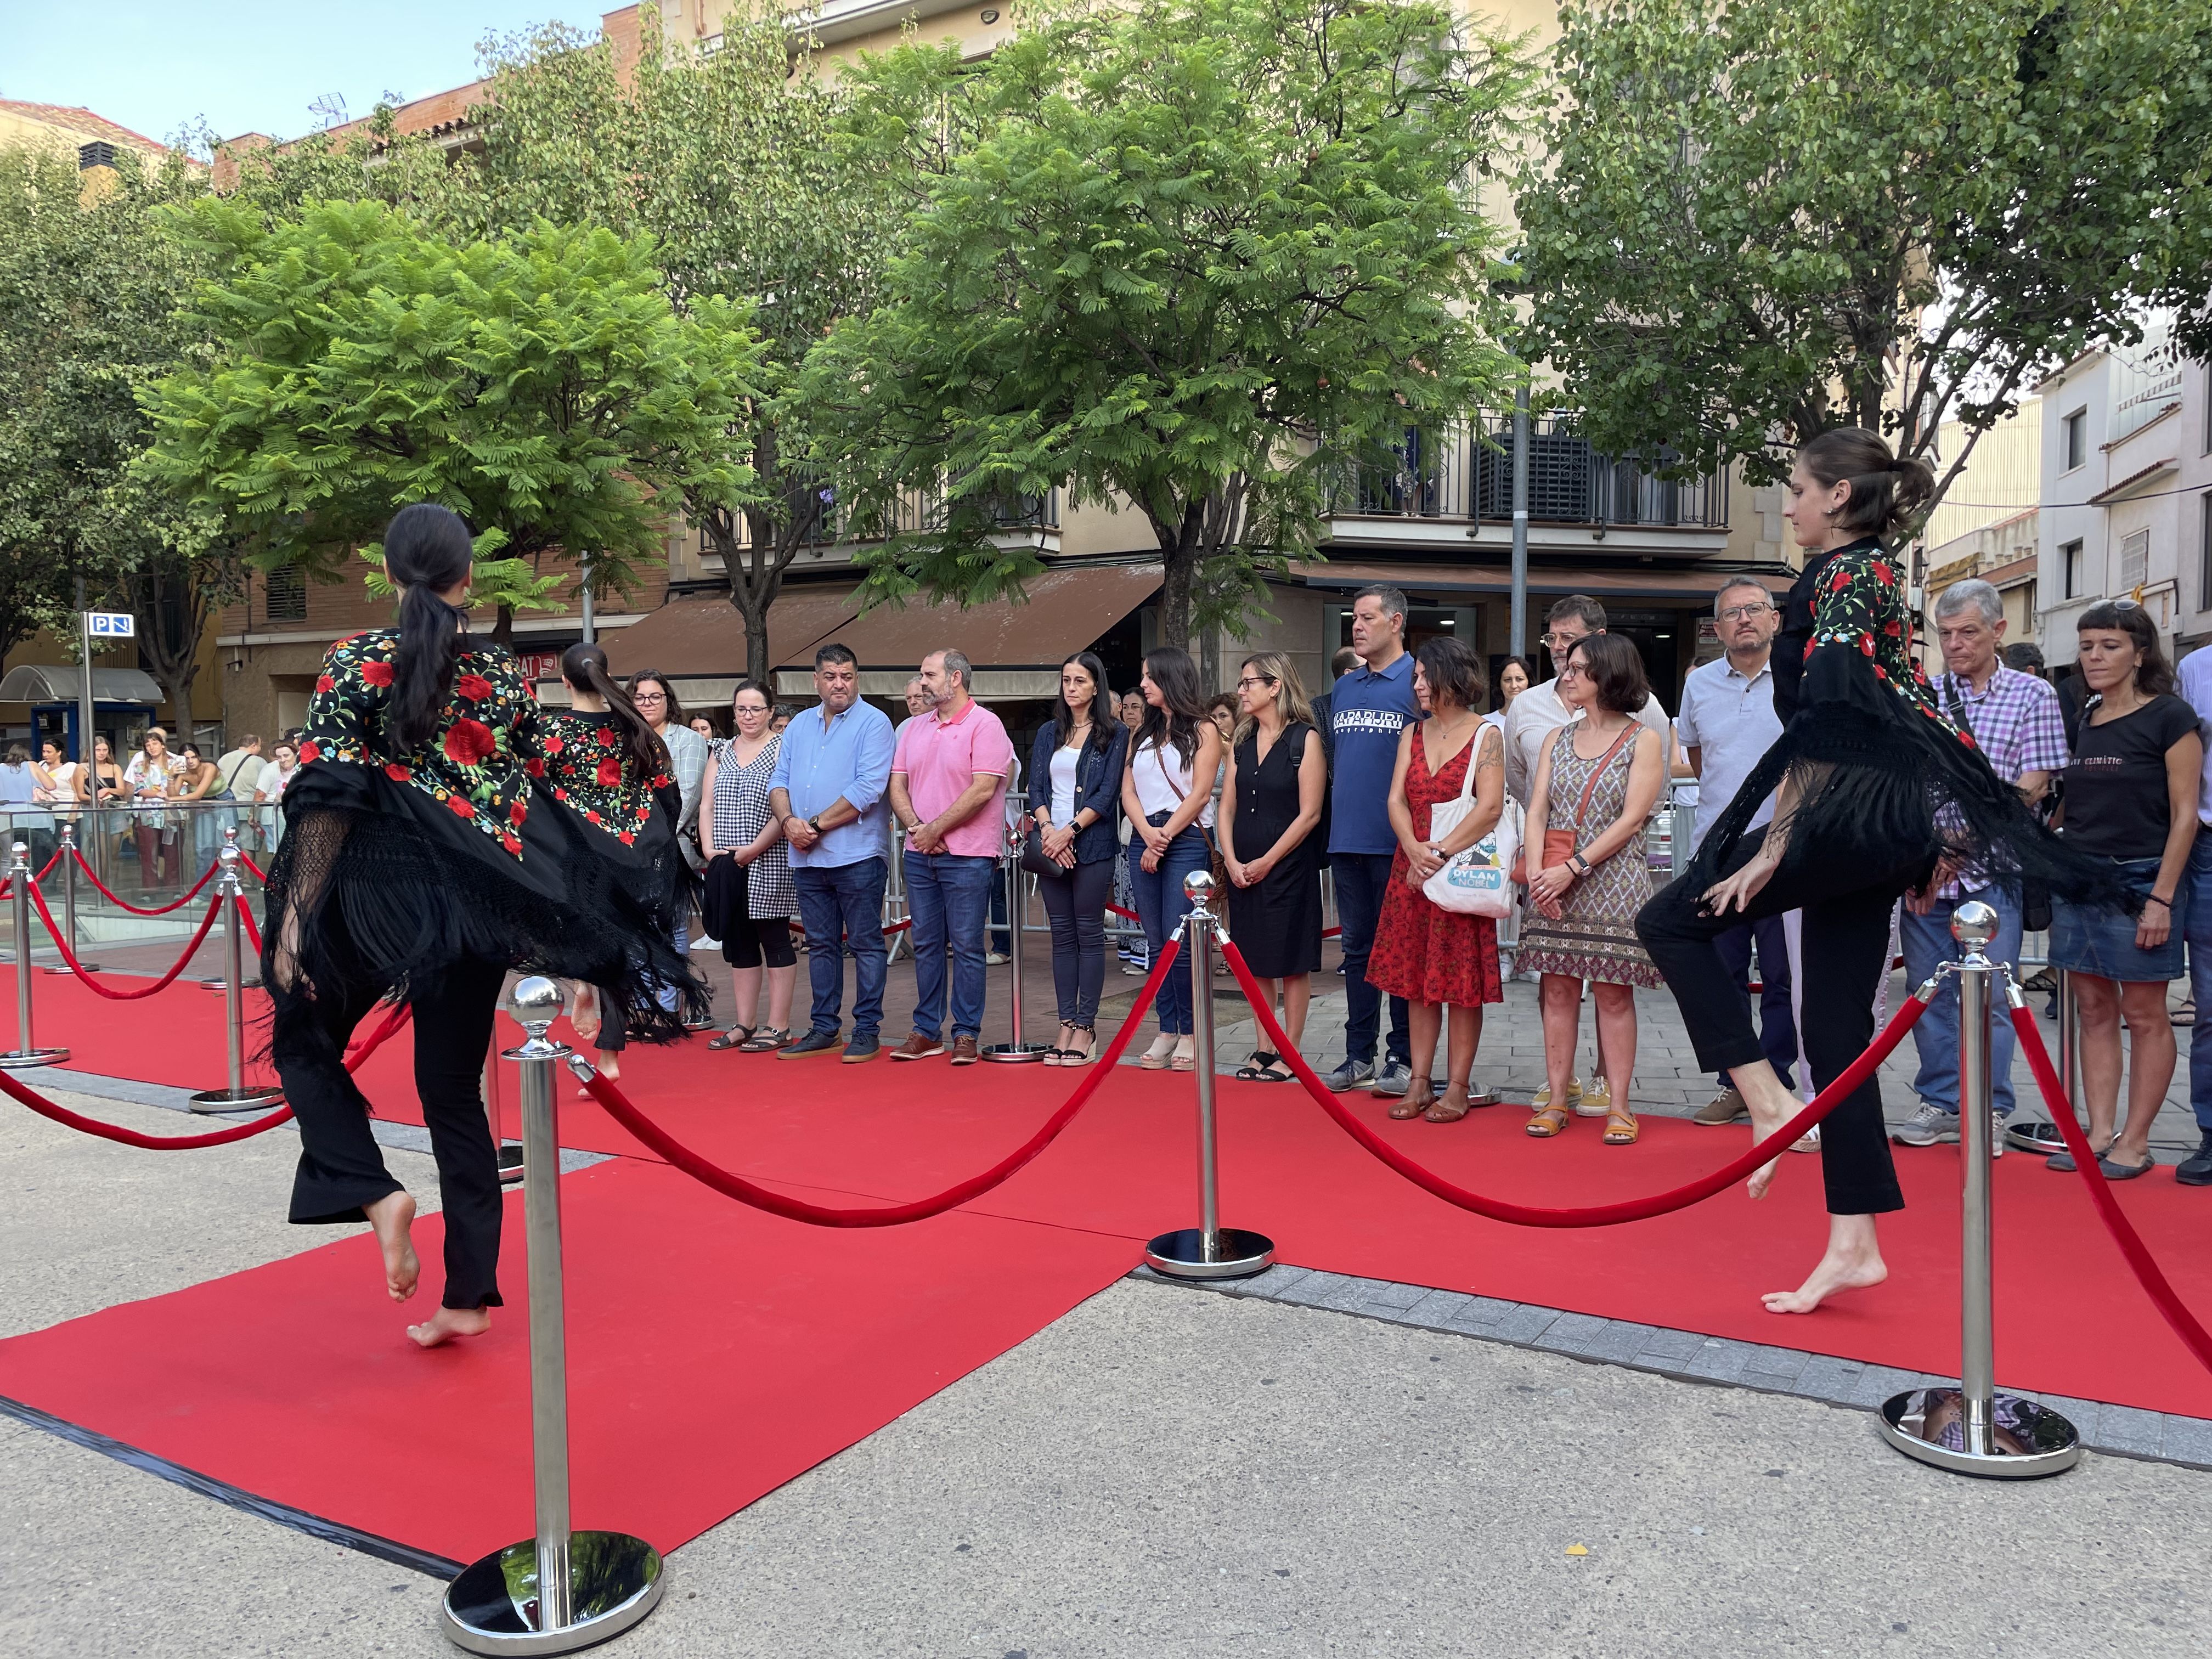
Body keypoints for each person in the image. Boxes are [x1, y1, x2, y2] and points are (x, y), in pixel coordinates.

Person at [1637, 428, 2115, 1315]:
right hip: (1876, 823)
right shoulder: (1856, 578)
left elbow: (1833, 718)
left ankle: (1765, 1097)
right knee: (1834, 1032)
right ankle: (1854, 1240)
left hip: (1850, 821)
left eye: (1794, 489)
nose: (1784, 503)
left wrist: (1779, 842)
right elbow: (1865, 713)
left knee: (1668, 918)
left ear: (1837, 500)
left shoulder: (1848, 576)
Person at [263, 503, 698, 1348]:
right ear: (467, 581)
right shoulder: (498, 674)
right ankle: (465, 1294)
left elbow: (324, 803)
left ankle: (371, 1189)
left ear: (387, 575)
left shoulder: (352, 662)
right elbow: (528, 797)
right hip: (471, 906)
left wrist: (291, 928)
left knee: (300, 1040)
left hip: (374, 901)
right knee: (453, 1094)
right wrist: (574, 928)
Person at [1892, 579, 2068, 1152]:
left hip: (1993, 869)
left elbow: (2035, 786)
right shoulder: (1926, 696)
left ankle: (1989, 1107)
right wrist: (1924, 857)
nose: (1955, 644)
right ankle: (1943, 1102)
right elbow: (1907, 784)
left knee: (1993, 994)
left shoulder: (2032, 696)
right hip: (1928, 870)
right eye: (1945, 634)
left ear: (1998, 631)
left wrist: (1961, 845)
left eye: (1968, 632)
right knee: (1926, 991)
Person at [1502, 595, 1675, 1116]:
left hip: (1612, 880)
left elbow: (1633, 818)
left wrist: (1572, 867)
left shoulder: (1643, 738)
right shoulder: (1555, 735)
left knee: (1613, 994)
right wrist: (1536, 870)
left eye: (1578, 669)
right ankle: (1557, 1099)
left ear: (1608, 675)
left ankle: (1619, 1105)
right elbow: (1535, 808)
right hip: (1552, 879)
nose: (1566, 676)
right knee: (1556, 990)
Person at [2046, 602, 2200, 1178]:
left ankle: (2135, 1143)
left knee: (2144, 1012)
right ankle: (2099, 1133)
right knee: (2091, 1008)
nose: (2094, 657)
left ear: (2140, 653)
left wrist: (2161, 898)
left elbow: (2185, 817)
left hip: (2141, 878)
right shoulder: (2085, 715)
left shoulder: (2170, 717)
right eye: (2087, 646)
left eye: (2109, 646)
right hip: (2079, 876)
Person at [1367, 637, 1506, 1121]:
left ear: (1453, 676)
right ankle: (1421, 1082)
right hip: (1412, 873)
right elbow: (1395, 800)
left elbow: (1490, 808)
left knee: (1463, 985)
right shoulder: (1412, 733)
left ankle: (1460, 1088)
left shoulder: (1487, 734)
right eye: (1417, 677)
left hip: (1460, 871)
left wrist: (1439, 852)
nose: (1419, 684)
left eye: (1426, 675)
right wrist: (1411, 849)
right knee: (1414, 981)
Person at [1676, 579, 1797, 1127]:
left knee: (1782, 975)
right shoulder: (1699, 684)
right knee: (1723, 975)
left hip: (1787, 853)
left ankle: (1782, 1082)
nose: (1743, 620)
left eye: (1754, 610)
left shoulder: (1801, 678)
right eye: (1731, 613)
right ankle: (1736, 1084)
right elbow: (1701, 759)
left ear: (1775, 619)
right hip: (1719, 853)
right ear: (1717, 627)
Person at [544, 643, 692, 1091]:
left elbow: (530, 797)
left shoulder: (552, 733)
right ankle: (608, 1055)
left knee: (575, 933)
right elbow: (669, 795)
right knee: (611, 939)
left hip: (573, 855)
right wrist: (652, 846)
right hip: (625, 855)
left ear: (565, 682)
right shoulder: (636, 730)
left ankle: (584, 980)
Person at [887, 649, 1015, 1065]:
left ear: (956, 678)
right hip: (920, 851)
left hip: (969, 854)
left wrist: (934, 830)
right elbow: (897, 785)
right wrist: (917, 829)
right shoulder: (912, 728)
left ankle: (965, 1033)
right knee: (925, 943)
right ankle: (927, 1031)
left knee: (965, 944)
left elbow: (983, 790)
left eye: (929, 675)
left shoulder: (987, 725)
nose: (922, 682)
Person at [770, 643, 896, 1062]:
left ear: (856, 678)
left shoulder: (875, 723)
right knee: (821, 945)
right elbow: (779, 780)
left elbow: (869, 789)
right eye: (831, 676)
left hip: (856, 855)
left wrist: (815, 826)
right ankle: (824, 1028)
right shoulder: (800, 725)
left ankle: (867, 1030)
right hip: (807, 856)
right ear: (816, 681)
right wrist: (789, 822)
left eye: (847, 675)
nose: (839, 683)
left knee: (865, 944)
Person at [1323, 585, 1420, 1096]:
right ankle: (1357, 1054)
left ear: (1395, 621)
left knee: (1398, 952)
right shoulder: (1344, 687)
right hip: (1347, 839)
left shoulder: (1418, 681)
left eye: (1367, 618)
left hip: (1399, 843)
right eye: (1353, 618)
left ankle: (1401, 1058)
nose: (1357, 626)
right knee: (1357, 951)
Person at [1222, 651, 1325, 1082]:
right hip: (1242, 867)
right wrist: (1230, 859)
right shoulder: (1242, 741)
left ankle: (1290, 1050)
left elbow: (1310, 814)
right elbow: (1225, 806)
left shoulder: (1305, 740)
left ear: (1275, 686)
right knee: (1254, 960)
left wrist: (1267, 860)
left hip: (1288, 866)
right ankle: (1264, 1047)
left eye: (1249, 683)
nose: (1241, 691)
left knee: (1291, 961)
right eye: (1242, 683)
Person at [1120, 647, 1223, 1070]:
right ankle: (1166, 1027)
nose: (1143, 685)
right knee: (1156, 940)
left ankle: (1192, 1031)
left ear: (1171, 678)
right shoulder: (1141, 733)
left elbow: (1201, 793)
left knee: (1182, 943)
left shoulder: (1204, 729)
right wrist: (1146, 833)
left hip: (1186, 836)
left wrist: (1162, 837)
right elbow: (1126, 789)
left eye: (1149, 677)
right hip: (1144, 833)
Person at [1026, 651, 1128, 1066]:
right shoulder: (1050, 730)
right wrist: (1050, 831)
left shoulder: (1114, 732)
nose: (1071, 688)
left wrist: (1071, 832)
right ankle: (1065, 1021)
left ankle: (1086, 1027)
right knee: (1061, 937)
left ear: (1096, 686)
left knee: (1089, 936)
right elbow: (1035, 787)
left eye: (1080, 681)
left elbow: (1106, 795)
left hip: (1092, 846)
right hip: (1053, 846)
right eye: (1066, 680)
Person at [701, 681, 799, 1053]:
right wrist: (710, 850)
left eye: (756, 709)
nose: (748, 716)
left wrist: (754, 849)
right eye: (741, 709)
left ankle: (779, 1025)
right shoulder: (721, 750)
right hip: (725, 861)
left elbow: (786, 809)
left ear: (771, 712)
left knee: (773, 938)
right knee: (738, 940)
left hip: (768, 858)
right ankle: (745, 1023)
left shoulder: (782, 750)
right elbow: (707, 803)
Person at [628, 669, 710, 1022]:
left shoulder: (688, 740)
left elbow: (688, 796)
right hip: (629, 850)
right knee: (636, 928)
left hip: (671, 847)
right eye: (640, 697)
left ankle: (667, 1004)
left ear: (668, 701)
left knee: (672, 927)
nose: (648, 703)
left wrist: (650, 840)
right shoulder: (623, 739)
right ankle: (642, 1004)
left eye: (655, 696)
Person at [123, 727, 185, 894]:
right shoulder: (140, 765)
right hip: (148, 814)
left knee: (173, 853)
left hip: (171, 813)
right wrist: (159, 793)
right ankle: (149, 891)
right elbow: (140, 790)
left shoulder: (177, 763)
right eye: (148, 744)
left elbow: (182, 788)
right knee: (149, 853)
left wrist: (169, 795)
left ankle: (174, 890)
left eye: (155, 743)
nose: (151, 747)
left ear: (163, 745)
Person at [1115, 688, 1151, 975]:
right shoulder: (1119, 739)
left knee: (1141, 897)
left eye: (1135, 706)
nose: (1129, 711)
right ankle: (1130, 951)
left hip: (1148, 827)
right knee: (1125, 894)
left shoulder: (1149, 740)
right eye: (1125, 706)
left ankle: (1145, 955)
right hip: (1127, 829)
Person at [173, 741, 231, 876]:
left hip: (224, 800)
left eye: (193, 757)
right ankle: (202, 892)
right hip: (204, 804)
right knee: (203, 847)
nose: (190, 761)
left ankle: (226, 885)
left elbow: (197, 794)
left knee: (227, 844)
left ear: (199, 757)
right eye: (187, 758)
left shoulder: (209, 767)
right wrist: (172, 776)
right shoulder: (183, 774)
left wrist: (173, 799)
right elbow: (173, 794)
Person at [1488, 656, 1532, 730]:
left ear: (1528, 683)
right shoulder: (1487, 722)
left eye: (1519, 679)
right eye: (1508, 680)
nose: (1514, 686)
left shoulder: (1539, 721)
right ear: (1500, 685)